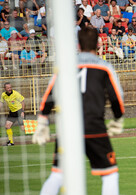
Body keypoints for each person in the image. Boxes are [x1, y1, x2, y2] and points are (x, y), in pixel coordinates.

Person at [32, 26, 125, 195]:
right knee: (109, 175)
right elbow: (116, 97)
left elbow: (50, 93)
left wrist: (43, 120)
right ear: (98, 44)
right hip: (94, 126)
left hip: (68, 127)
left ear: (78, 45)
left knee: (58, 175)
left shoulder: (66, 66)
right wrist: (118, 118)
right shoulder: (104, 67)